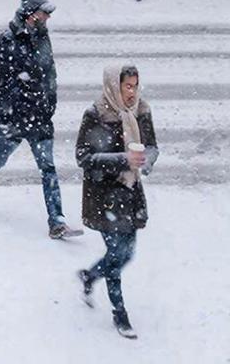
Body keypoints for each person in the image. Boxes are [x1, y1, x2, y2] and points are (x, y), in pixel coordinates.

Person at [0, 0, 82, 239]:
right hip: (14, 116)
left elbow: (50, 71)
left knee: (48, 169)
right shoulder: (8, 39)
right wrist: (23, 98)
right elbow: (7, 80)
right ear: (31, 14)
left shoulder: (43, 37)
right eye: (44, 12)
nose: (48, 17)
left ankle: (56, 221)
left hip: (40, 117)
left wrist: (50, 100)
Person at [76, 64, 158, 339]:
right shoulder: (96, 114)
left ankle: (89, 276)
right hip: (104, 196)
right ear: (114, 85)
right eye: (128, 86)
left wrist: (146, 160)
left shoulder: (141, 110)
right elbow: (84, 158)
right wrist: (123, 159)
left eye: (136, 85)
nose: (133, 92)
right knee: (115, 254)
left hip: (130, 192)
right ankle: (119, 313)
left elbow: (152, 146)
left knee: (127, 253)